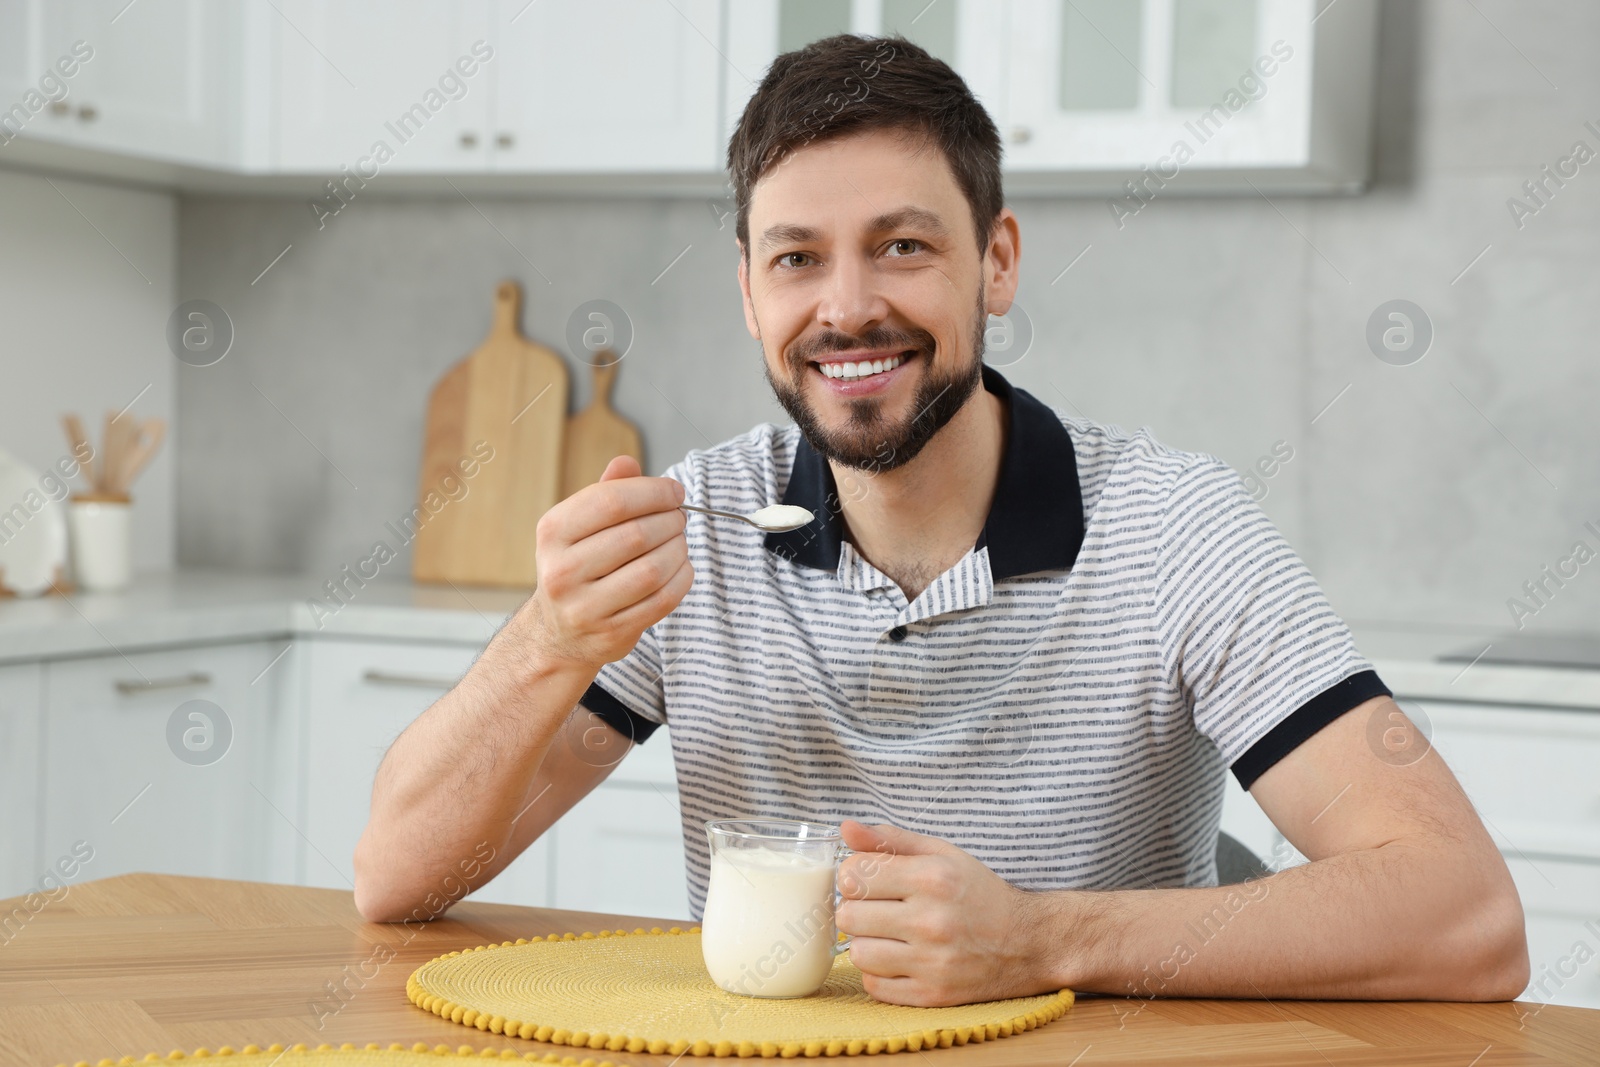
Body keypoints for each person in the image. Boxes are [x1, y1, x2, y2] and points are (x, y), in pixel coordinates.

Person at [355, 34, 1528, 1008]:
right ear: (749, 292)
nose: (848, 306)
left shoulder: (1174, 531)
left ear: (997, 261)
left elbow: (1465, 915)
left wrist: (1047, 939)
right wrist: (546, 642)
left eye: (902, 246)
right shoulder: (699, 530)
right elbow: (394, 880)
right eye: (797, 259)